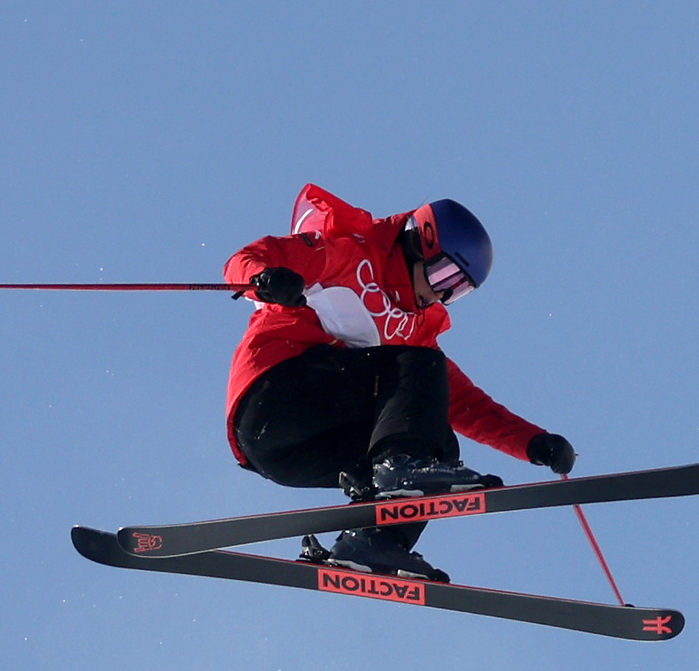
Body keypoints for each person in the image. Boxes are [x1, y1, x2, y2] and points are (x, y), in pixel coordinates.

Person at [223, 184, 575, 583]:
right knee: (419, 367)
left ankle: (371, 544)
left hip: (299, 455)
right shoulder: (350, 251)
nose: (439, 293)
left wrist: (532, 442)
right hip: (275, 400)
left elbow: (463, 403)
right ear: (417, 242)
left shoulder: (415, 329)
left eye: (455, 291)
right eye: (444, 274)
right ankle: (399, 468)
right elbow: (249, 258)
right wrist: (264, 278)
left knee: (439, 446)